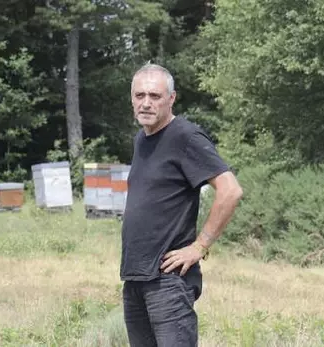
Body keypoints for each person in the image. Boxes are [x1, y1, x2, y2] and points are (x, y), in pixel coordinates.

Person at [120, 63, 244, 346]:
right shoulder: (143, 138)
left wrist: (199, 247)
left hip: (168, 280)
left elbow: (230, 191)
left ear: (171, 99)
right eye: (140, 96)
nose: (146, 103)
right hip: (136, 278)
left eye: (155, 96)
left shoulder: (185, 136)